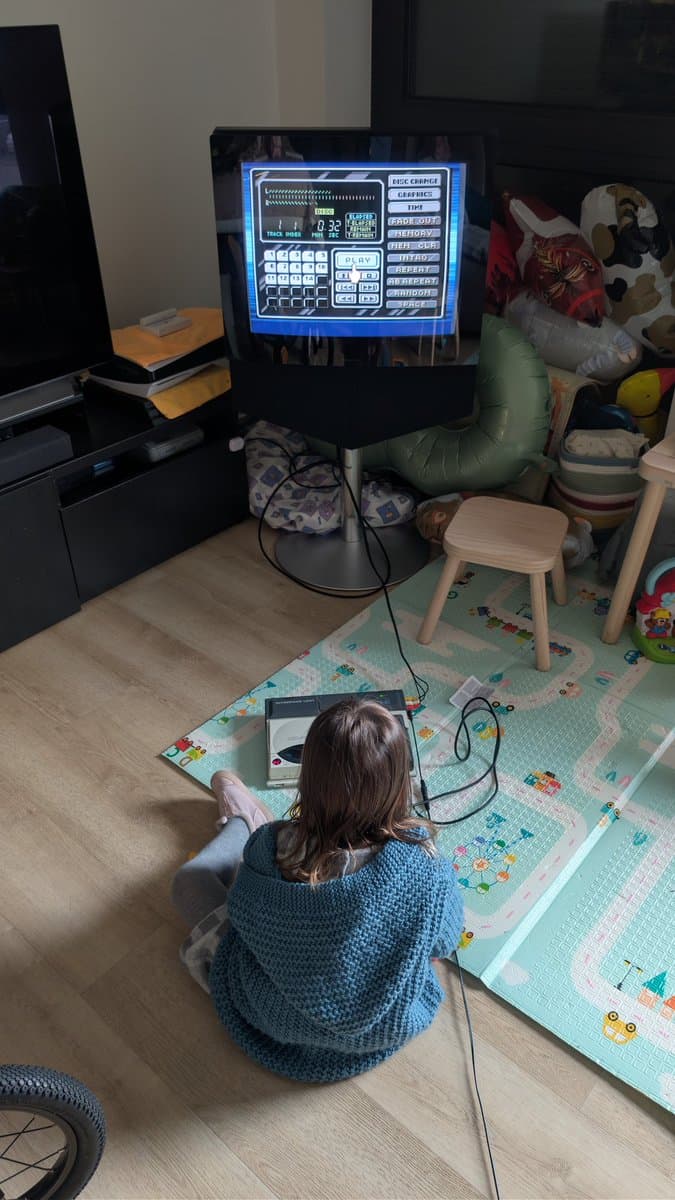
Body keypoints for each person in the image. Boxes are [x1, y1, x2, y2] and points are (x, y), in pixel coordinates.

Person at [171, 698, 463, 1083]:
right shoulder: (424, 864)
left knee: (189, 883)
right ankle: (241, 812)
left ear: (306, 777)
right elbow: (445, 941)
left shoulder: (271, 846)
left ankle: (241, 818)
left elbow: (244, 913)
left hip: (272, 1016)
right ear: (399, 785)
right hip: (383, 1028)